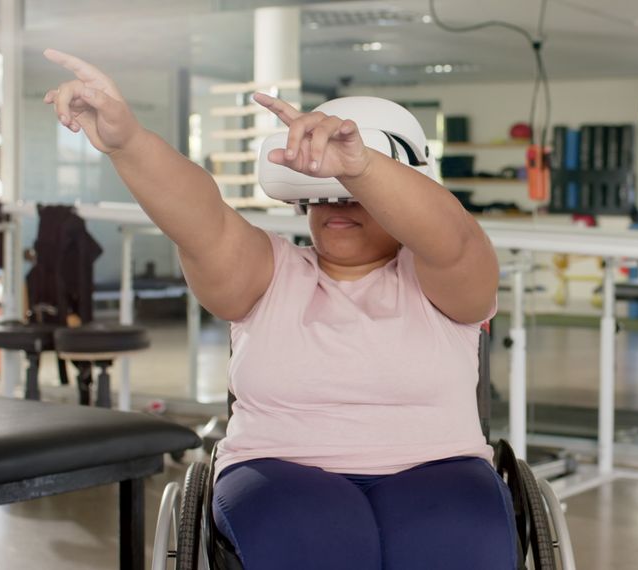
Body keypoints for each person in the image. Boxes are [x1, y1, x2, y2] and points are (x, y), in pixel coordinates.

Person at [43, 49, 514, 570]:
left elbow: (453, 236)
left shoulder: (443, 281)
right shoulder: (270, 271)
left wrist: (360, 166)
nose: (336, 204)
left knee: (451, 544)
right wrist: (127, 142)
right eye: (323, 192)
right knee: (322, 543)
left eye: (354, 192)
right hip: (279, 469)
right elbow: (201, 217)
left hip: (440, 467)